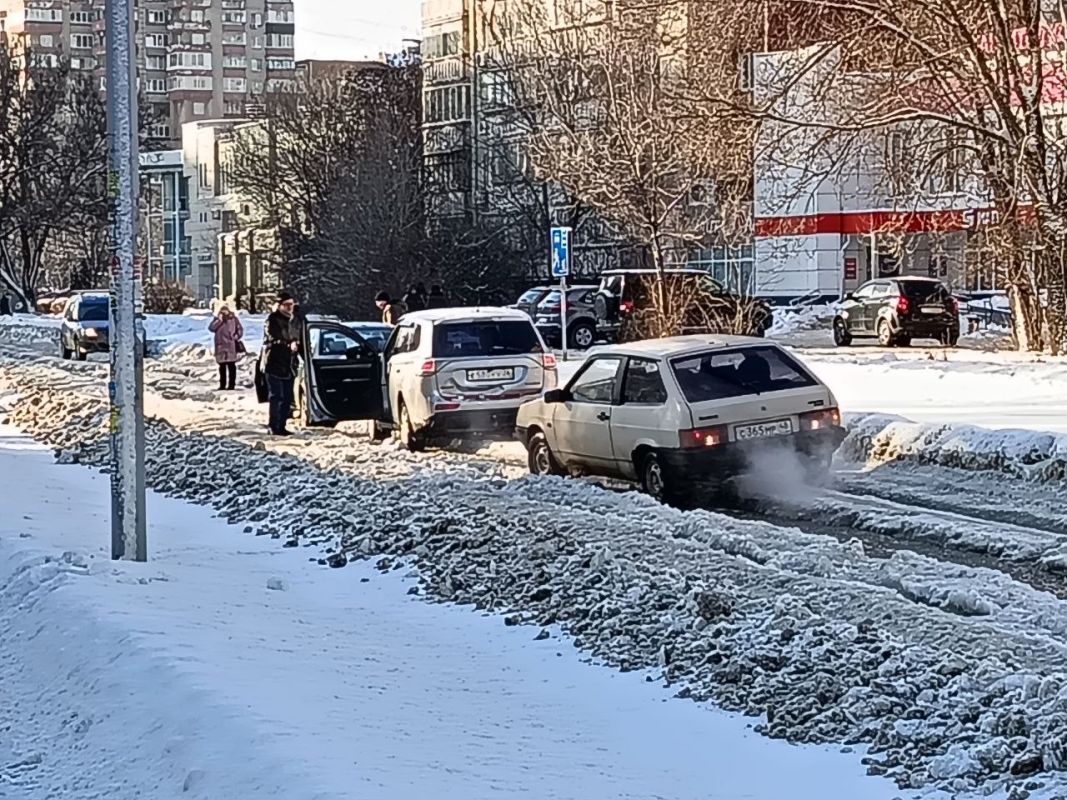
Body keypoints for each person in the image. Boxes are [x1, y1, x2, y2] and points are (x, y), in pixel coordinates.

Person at [263, 291, 300, 436]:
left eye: (292, 304)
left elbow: (298, 337)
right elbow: (272, 337)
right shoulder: (273, 319)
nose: (290, 307)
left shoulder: (294, 320)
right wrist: (287, 344)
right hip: (274, 362)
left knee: (287, 398)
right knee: (276, 396)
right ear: (279, 306)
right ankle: (274, 426)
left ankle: (282, 425)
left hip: (289, 363)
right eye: (287, 305)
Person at [208, 304, 244, 390]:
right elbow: (211, 328)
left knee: (231, 366)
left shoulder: (233, 319)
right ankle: (222, 385)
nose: (224, 313)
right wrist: (219, 320)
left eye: (225, 311)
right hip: (220, 346)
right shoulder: (217, 319)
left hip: (230, 345)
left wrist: (236, 336)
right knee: (222, 367)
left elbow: (240, 329)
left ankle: (232, 385)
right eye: (222, 311)